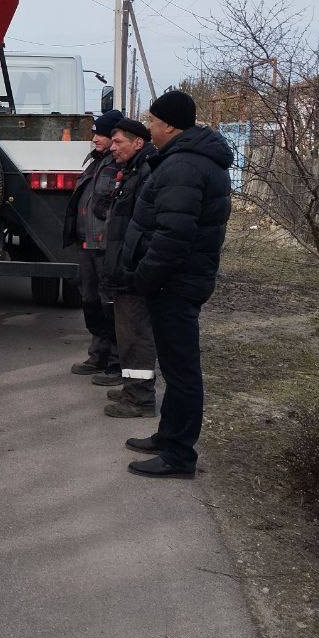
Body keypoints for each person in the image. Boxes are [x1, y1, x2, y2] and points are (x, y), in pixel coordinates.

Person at [115, 90, 233, 478]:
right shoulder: (187, 159)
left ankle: (180, 455)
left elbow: (172, 235)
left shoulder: (184, 165)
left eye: (151, 122)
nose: (148, 128)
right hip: (178, 281)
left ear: (168, 125)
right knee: (174, 364)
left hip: (175, 284)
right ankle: (168, 436)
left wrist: (144, 278)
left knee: (182, 372)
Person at [101, 118, 158, 419]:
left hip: (134, 270)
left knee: (136, 335)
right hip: (125, 266)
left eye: (118, 142)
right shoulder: (134, 170)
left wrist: (134, 266)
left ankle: (140, 400)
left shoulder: (146, 172)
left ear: (138, 142)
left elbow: (146, 227)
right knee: (127, 333)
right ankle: (131, 388)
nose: (112, 148)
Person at [62, 108, 123, 382]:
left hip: (105, 247)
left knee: (109, 304)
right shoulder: (97, 162)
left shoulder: (121, 165)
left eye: (100, 133)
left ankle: (116, 362)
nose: (94, 138)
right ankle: (98, 355)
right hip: (87, 245)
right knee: (90, 301)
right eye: (94, 132)